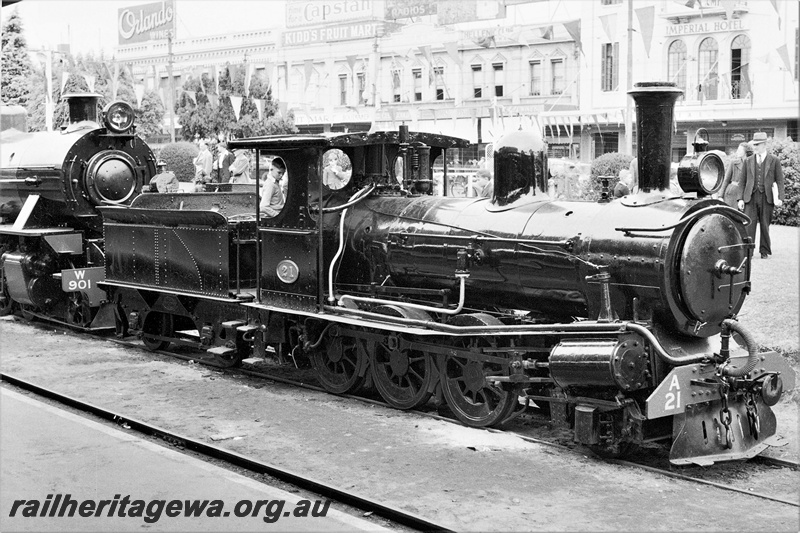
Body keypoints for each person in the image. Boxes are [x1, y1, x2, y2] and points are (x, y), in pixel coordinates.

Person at [737, 132, 785, 259]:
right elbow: (742, 182)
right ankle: (749, 252)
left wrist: (780, 197)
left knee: (765, 225)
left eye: (757, 144)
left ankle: (764, 251)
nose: (755, 147)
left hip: (767, 197)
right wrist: (740, 199)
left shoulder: (774, 160)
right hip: (750, 197)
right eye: (754, 144)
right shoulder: (748, 161)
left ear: (764, 145)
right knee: (749, 226)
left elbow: (780, 180)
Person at [719, 142, 753, 208]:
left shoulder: (752, 165)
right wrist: (720, 196)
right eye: (738, 150)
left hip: (745, 193)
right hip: (732, 193)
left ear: (745, 152)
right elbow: (726, 180)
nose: (737, 152)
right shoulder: (733, 163)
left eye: (740, 150)